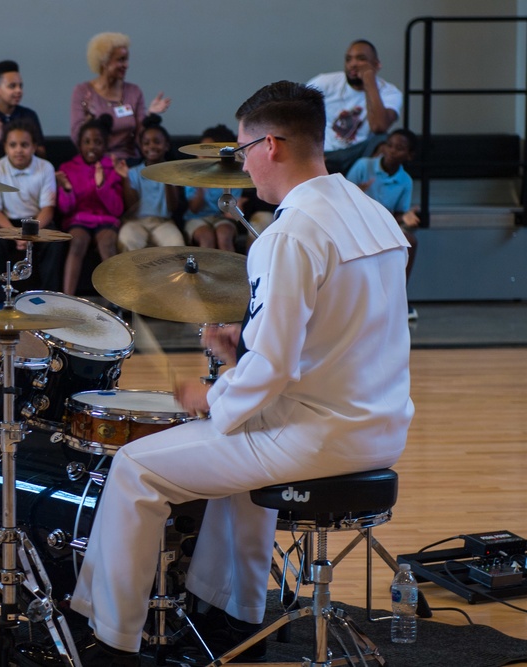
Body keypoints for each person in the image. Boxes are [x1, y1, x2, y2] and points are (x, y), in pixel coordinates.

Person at [69, 80, 414, 666]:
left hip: (320, 436)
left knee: (134, 470)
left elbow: (274, 368)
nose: (241, 163)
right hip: (380, 424)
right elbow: (341, 336)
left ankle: (109, 642)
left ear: (271, 145)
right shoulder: (374, 215)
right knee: (237, 446)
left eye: (241, 149)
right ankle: (232, 618)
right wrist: (241, 349)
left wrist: (211, 394)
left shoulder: (288, 236)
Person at [0, 120, 61, 308]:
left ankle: (48, 301)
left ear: (34, 147)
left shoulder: (45, 167)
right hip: (7, 223)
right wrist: (15, 233)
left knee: (53, 244)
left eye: (24, 145)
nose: (19, 150)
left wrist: (29, 234)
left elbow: (48, 208)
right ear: (5, 147)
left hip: (36, 221)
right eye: (13, 145)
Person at [346, 128, 420, 320]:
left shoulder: (405, 181)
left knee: (409, 239)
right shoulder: (363, 166)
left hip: (382, 227)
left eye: (400, 148)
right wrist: (356, 192)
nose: (392, 151)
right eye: (389, 145)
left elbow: (398, 214)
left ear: (409, 155)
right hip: (355, 224)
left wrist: (406, 218)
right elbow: (342, 200)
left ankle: (397, 298)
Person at [307, 39, 403, 174]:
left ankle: (367, 189)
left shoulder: (390, 92)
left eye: (361, 59)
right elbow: (295, 113)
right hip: (325, 153)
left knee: (381, 140)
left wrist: (369, 80)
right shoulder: (324, 82)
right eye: (348, 59)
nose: (353, 64)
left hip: (359, 155)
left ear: (376, 64)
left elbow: (379, 127)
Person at [70, 32, 170, 161]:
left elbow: (142, 141)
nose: (126, 65)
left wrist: (149, 116)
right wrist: (89, 118)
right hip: (96, 163)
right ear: (104, 62)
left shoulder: (134, 92)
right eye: (121, 60)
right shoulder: (83, 91)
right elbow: (77, 138)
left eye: (127, 59)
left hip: (129, 163)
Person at [56, 115, 124, 296]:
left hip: (106, 221)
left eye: (97, 142)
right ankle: (68, 298)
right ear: (79, 144)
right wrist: (67, 190)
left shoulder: (112, 167)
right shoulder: (68, 168)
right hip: (79, 220)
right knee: (77, 243)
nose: (92, 147)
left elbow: (117, 209)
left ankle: (116, 301)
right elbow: (65, 209)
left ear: (106, 145)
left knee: (107, 245)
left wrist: (101, 186)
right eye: (87, 142)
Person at [117, 115, 185, 252]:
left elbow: (173, 207)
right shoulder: (133, 172)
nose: (151, 146)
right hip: (136, 221)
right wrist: (126, 179)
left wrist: (167, 178)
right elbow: (132, 205)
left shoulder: (173, 171)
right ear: (141, 147)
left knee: (177, 246)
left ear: (166, 146)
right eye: (146, 143)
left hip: (163, 222)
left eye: (157, 142)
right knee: (127, 240)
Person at [183, 125, 246, 253]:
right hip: (196, 219)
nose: (203, 156)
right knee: (207, 239)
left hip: (221, 218)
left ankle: (232, 272)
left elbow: (230, 213)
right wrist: (200, 188)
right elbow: (194, 209)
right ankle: (206, 273)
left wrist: (237, 208)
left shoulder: (232, 178)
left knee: (224, 237)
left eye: (209, 153)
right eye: (201, 152)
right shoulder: (191, 176)